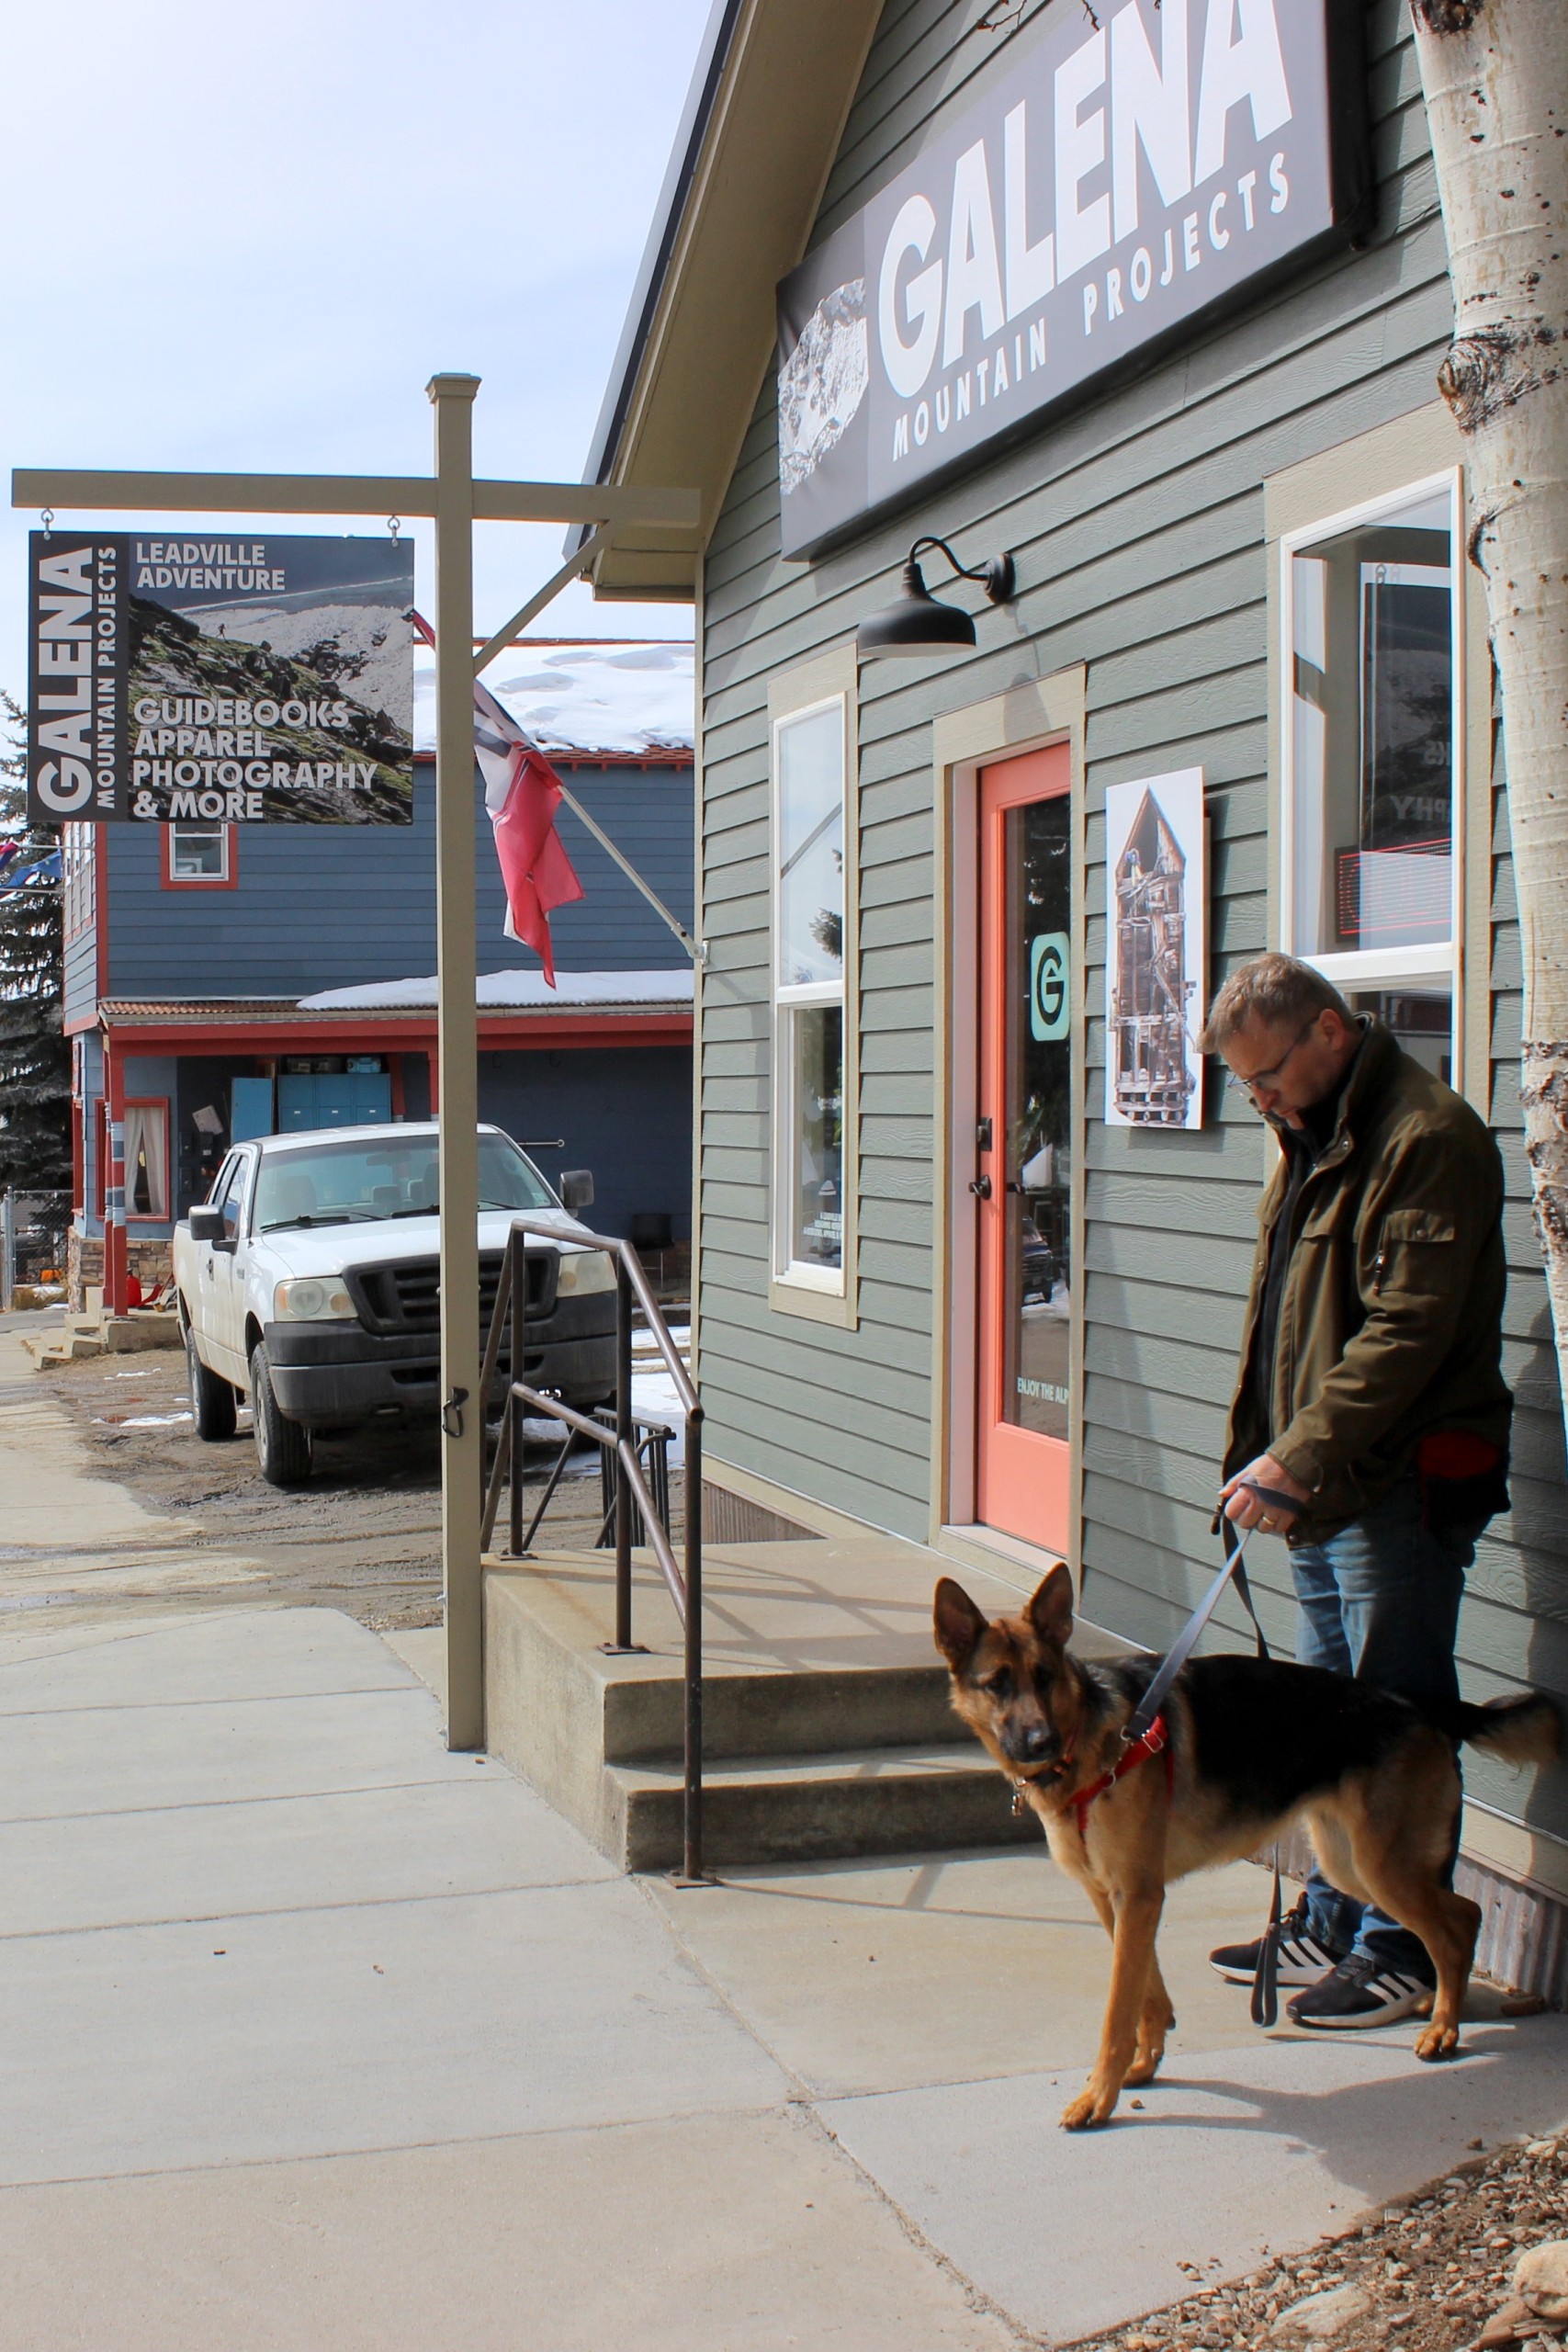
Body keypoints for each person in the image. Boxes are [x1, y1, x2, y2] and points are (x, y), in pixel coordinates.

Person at [1201, 954, 1511, 2028]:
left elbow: (1406, 1333)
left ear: (1332, 1032)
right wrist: (1260, 1449)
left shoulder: (1427, 1138)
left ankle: (1404, 1949)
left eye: (1269, 1076)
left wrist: (1300, 1455)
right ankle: (1336, 1915)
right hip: (1320, 1485)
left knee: (1395, 1724)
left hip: (1400, 1489)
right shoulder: (1310, 1138)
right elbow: (1285, 1317)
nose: (1262, 1100)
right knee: (1325, 1727)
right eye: (1247, 1086)